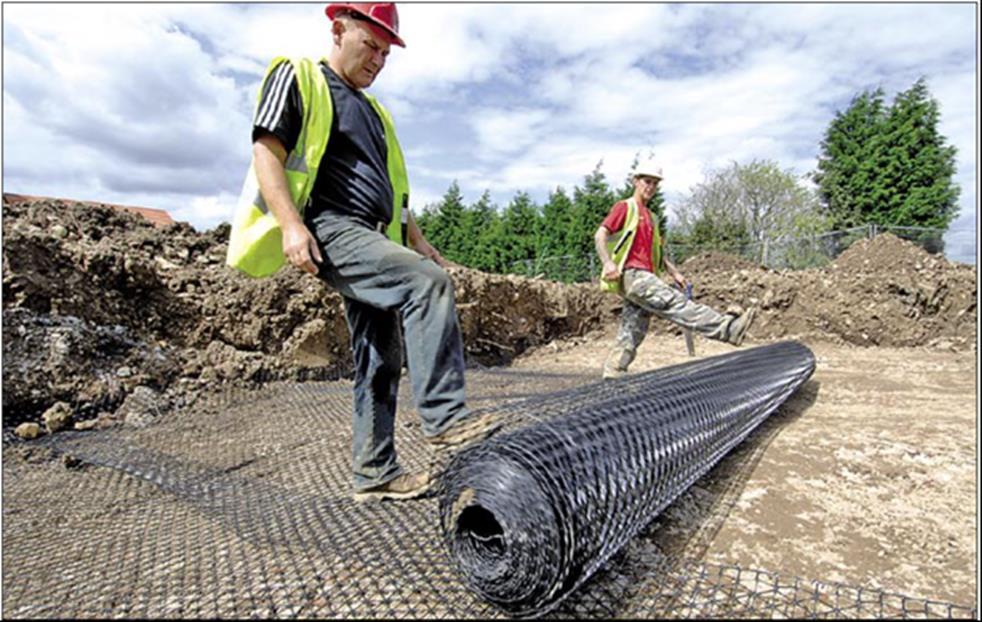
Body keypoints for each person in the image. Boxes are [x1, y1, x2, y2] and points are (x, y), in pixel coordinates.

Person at [226, 2, 499, 501]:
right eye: (369, 45)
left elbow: (394, 191)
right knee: (426, 284)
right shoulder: (300, 77)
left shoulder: (375, 113)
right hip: (330, 226)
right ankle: (444, 416)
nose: (377, 59)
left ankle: (374, 472)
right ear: (337, 30)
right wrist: (290, 225)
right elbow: (268, 150)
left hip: (377, 234)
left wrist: (418, 241)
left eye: (386, 52)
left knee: (380, 353)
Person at [594, 157, 757, 379]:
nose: (650, 187)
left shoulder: (652, 217)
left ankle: (614, 371)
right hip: (632, 275)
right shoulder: (626, 207)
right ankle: (727, 328)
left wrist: (674, 272)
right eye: (646, 181)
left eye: (655, 183)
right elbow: (600, 234)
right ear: (635, 181)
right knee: (675, 303)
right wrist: (607, 262)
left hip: (644, 275)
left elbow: (657, 254)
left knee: (632, 329)